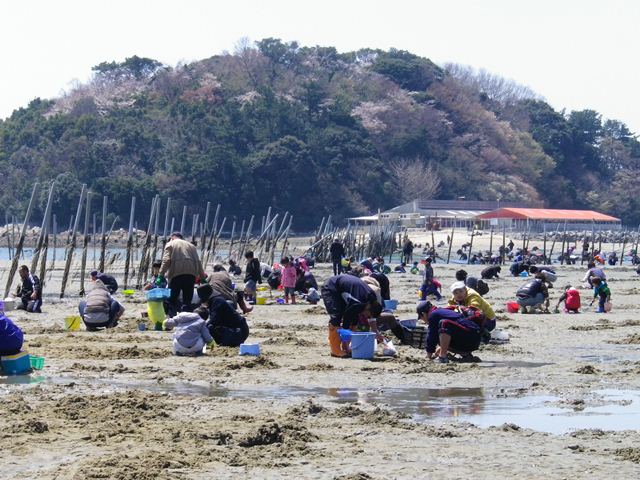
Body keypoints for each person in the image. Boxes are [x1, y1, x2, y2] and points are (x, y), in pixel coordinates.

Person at [321, 275, 383, 358]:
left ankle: (344, 347)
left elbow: (354, 318)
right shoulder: (358, 302)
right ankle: (335, 350)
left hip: (343, 289)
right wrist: (345, 345)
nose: (366, 317)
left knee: (354, 319)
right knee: (336, 316)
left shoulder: (370, 299)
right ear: (369, 308)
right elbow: (346, 322)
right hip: (331, 287)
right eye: (368, 316)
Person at [418, 301, 484, 364]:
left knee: (444, 324)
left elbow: (431, 337)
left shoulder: (433, 315)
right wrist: (437, 351)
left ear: (423, 314)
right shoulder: (441, 312)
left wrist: (428, 355)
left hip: (470, 338)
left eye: (421, 318)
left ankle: (442, 357)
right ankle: (465, 354)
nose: (424, 321)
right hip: (474, 339)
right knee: (440, 330)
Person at [160, 232, 206, 314]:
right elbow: (198, 262)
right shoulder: (192, 246)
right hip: (191, 275)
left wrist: (161, 275)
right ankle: (186, 320)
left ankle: (171, 320)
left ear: (172, 238)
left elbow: (166, 260)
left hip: (176, 274)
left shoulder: (170, 244)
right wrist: (202, 278)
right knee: (187, 301)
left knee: (172, 300)